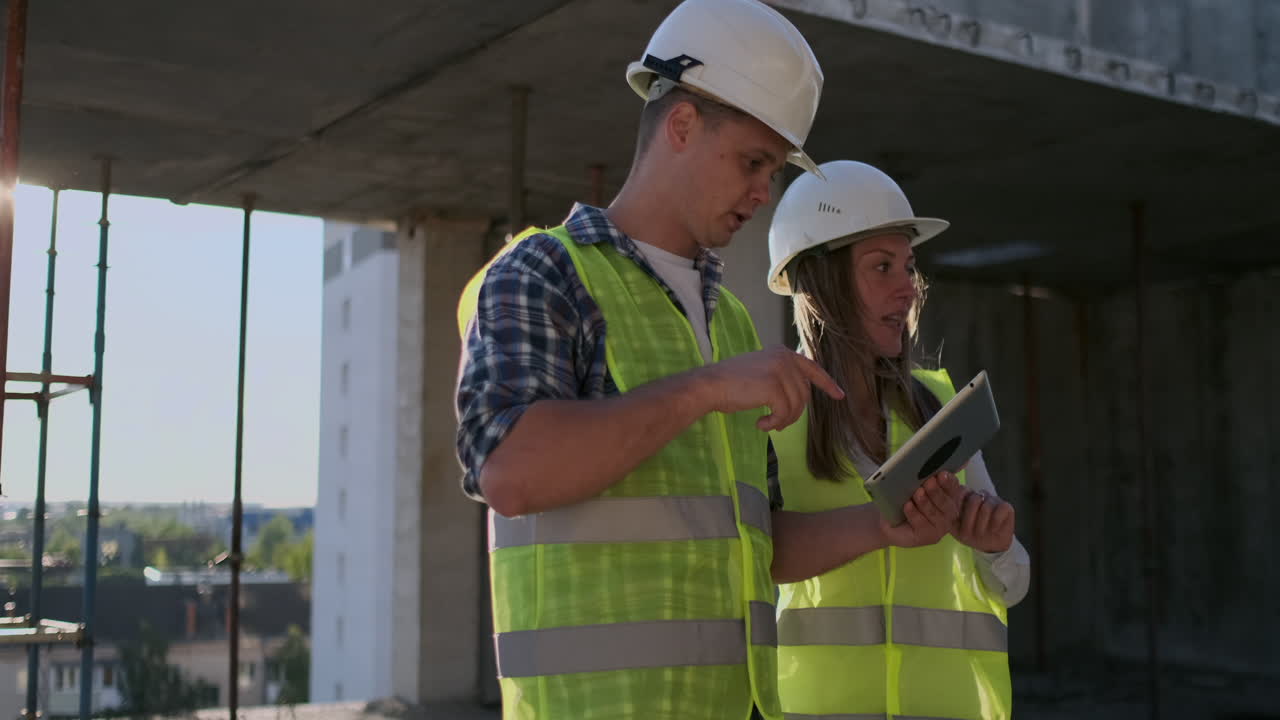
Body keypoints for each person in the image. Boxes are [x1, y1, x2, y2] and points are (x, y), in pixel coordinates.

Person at [766, 160, 1032, 720]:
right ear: (821, 281)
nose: (907, 288)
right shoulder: (769, 414)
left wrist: (995, 544)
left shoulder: (938, 406)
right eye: (881, 267)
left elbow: (1010, 584)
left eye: (909, 267)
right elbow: (749, 562)